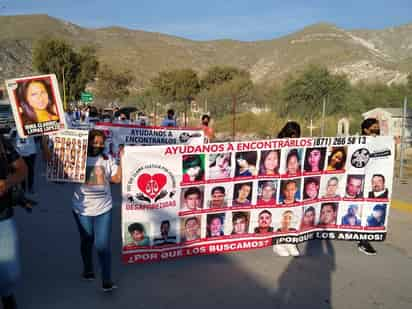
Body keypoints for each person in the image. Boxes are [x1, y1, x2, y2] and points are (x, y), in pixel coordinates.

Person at [66, 129, 122, 292]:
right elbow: (56, 169)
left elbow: (116, 179)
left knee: (103, 245)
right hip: (81, 210)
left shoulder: (107, 159)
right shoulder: (77, 159)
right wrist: (44, 143)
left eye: (100, 143)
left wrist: (122, 160)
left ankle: (106, 280)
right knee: (87, 240)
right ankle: (88, 269)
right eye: (94, 142)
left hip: (104, 209)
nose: (97, 145)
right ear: (87, 142)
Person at [0, 134, 27, 309]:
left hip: (2, 215)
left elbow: (22, 169)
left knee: (11, 272)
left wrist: (7, 183)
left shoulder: (2, 142)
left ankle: (6, 293)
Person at [274, 121, 301, 257]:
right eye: (290, 136)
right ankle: (279, 243)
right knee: (281, 215)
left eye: (295, 136)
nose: (292, 139)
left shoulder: (298, 148)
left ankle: (291, 242)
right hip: (281, 182)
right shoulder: (277, 145)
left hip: (294, 181)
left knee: (293, 214)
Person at [358, 118, 380, 255]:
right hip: (361, 182)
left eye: (377, 126)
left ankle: (364, 239)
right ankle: (362, 240)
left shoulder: (381, 141)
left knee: (370, 211)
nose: (377, 129)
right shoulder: (359, 142)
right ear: (366, 130)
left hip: (373, 183)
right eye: (374, 127)